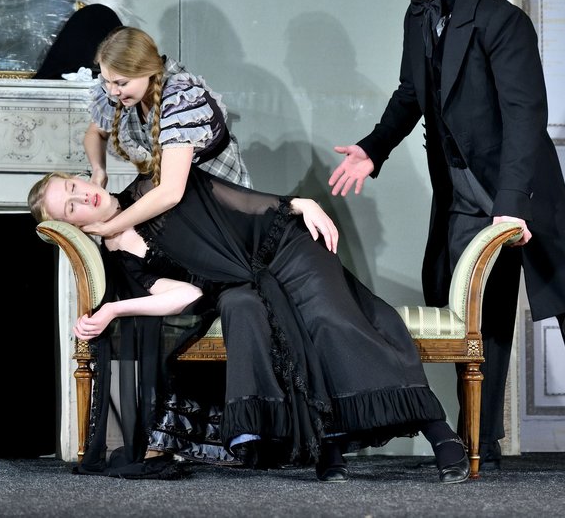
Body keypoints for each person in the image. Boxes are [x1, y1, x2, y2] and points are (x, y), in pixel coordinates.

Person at [328, 0, 565, 474]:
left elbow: (525, 118)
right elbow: (410, 94)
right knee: (478, 314)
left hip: (519, 185)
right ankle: (482, 437)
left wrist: (511, 205)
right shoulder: (418, 16)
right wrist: (373, 149)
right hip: (460, 189)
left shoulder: (502, 20)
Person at [29, 168, 472, 484]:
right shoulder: (123, 260)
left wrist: (297, 204)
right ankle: (328, 442)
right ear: (75, 226)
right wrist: (112, 310)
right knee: (291, 329)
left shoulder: (154, 186)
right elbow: (187, 295)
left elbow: (236, 200)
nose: (82, 197)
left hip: (284, 249)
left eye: (74, 186)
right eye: (71, 206)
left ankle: (438, 431)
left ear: (84, 177)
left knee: (329, 321)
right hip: (247, 284)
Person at [82, 26, 251, 239]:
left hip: (216, 191)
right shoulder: (119, 91)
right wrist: (99, 170)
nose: (113, 91)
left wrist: (111, 227)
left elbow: (171, 192)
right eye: (107, 81)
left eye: (121, 83)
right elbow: (95, 134)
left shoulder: (179, 99)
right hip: (176, 187)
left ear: (146, 70)